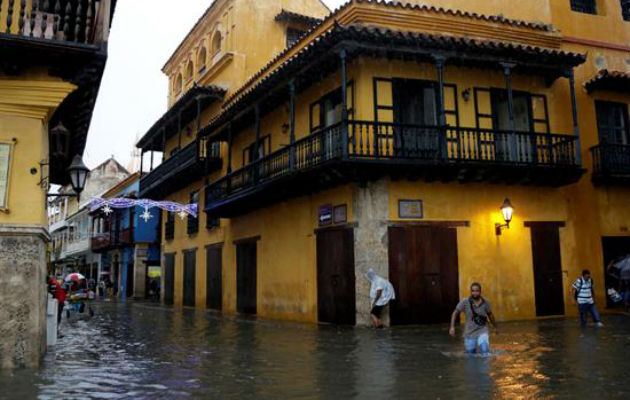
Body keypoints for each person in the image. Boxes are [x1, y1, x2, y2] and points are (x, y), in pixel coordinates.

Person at [449, 282, 497, 355]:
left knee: (485, 350)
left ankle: (485, 366)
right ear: (471, 291)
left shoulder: (485, 302)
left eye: (477, 291)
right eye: (473, 291)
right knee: (471, 354)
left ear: (480, 291)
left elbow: (490, 315)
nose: (475, 293)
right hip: (469, 333)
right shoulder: (465, 302)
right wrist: (452, 327)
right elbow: (455, 313)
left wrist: (495, 327)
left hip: (482, 330)